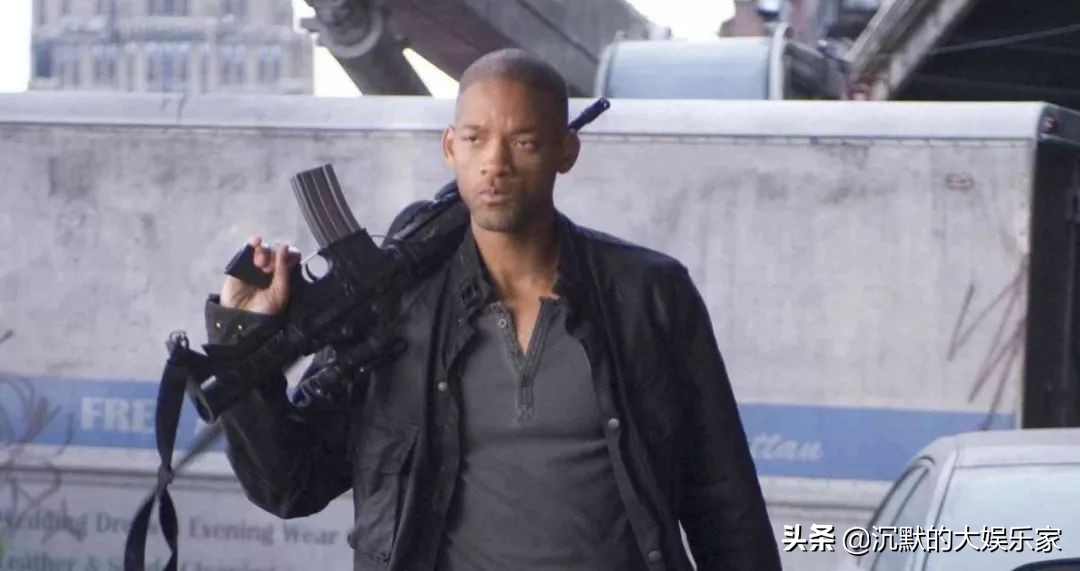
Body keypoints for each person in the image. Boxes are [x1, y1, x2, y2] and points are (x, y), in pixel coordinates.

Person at [203, 48, 781, 571]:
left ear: (566, 151)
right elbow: (291, 485)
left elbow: (723, 500)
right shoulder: (396, 305)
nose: (495, 163)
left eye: (523, 141)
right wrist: (243, 334)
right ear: (450, 148)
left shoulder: (649, 293)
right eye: (476, 139)